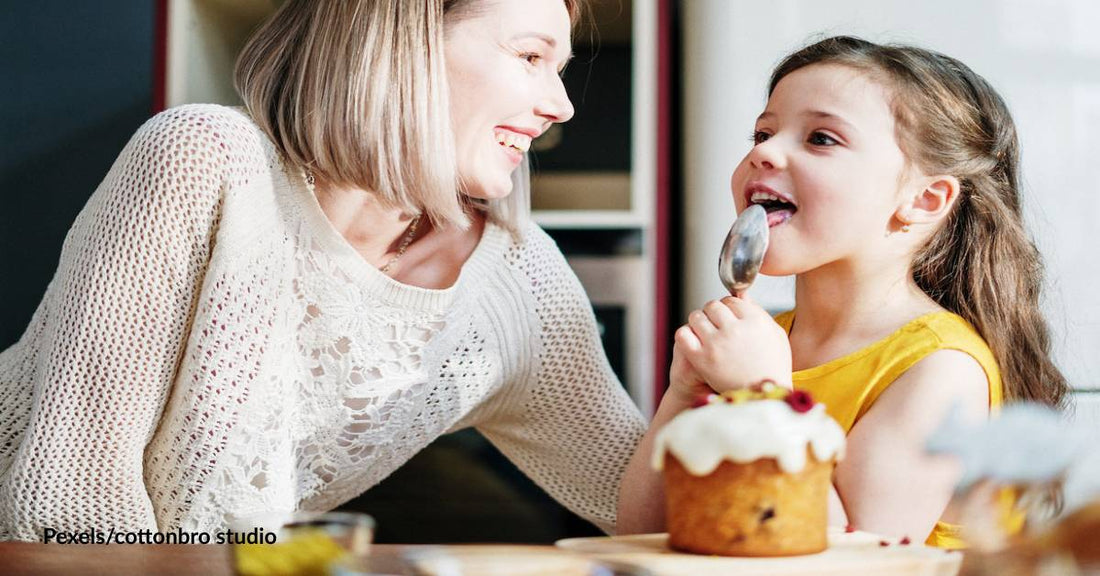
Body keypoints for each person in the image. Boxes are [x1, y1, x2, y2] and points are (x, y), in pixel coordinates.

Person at [0, 0, 647, 541]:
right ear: (402, 41)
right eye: (531, 58)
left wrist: (717, 382)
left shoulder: (518, 278)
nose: (561, 106)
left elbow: (643, 504)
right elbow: (71, 506)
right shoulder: (206, 160)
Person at [618, 36, 1068, 548]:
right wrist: (686, 394)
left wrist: (763, 396)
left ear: (923, 199)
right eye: (763, 132)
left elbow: (861, 556)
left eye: (821, 139)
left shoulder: (941, 368)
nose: (764, 151)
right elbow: (642, 535)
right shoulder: (766, 343)